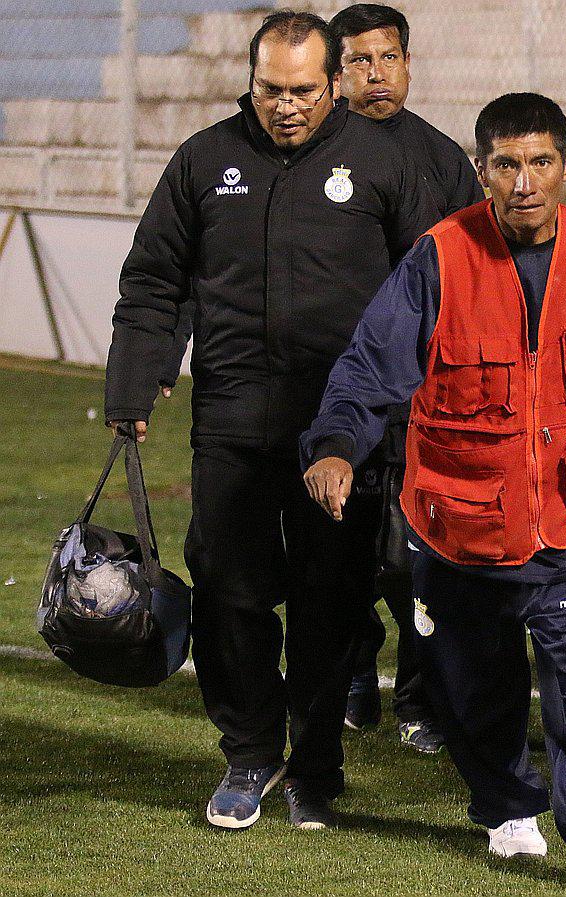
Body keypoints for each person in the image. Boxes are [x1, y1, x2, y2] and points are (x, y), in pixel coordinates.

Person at [300, 93, 566, 890]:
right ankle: (505, 803)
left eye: (540, 163)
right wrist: (333, 446)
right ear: (480, 171)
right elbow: (371, 364)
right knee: (474, 684)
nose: (524, 181)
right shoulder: (438, 257)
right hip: (457, 525)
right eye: (506, 164)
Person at [103, 10, 437, 832]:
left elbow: (429, 288)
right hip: (231, 420)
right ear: (250, 82)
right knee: (228, 591)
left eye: (301, 91)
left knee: (332, 597)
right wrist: (134, 384)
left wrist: (412, 408)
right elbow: (153, 279)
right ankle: (250, 751)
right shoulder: (204, 160)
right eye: (269, 90)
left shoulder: (382, 162)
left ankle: (316, 765)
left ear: (333, 85)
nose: (285, 106)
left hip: (344, 428)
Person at [328, 1, 487, 755]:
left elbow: (474, 272)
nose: (375, 73)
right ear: (335, 73)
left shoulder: (442, 158)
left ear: (409, 64)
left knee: (412, 556)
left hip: (416, 394)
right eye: (358, 60)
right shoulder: (311, 152)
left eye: (387, 57)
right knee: (331, 551)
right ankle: (354, 671)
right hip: (326, 389)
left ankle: (420, 698)